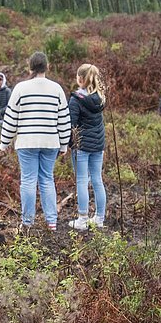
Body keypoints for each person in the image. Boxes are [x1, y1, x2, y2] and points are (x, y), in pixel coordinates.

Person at [0, 52, 71, 231]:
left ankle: (28, 222)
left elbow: (10, 117)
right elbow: (63, 119)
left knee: (29, 180)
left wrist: (4, 142)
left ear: (30, 67)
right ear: (47, 67)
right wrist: (63, 144)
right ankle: (52, 222)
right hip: (50, 142)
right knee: (47, 179)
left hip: (27, 142)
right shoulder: (57, 89)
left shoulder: (21, 88)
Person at [68, 64, 107, 231]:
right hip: (98, 145)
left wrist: (69, 144)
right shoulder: (100, 97)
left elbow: (71, 124)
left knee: (82, 180)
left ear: (80, 79)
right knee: (97, 179)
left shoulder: (76, 99)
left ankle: (82, 219)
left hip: (82, 145)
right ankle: (99, 218)